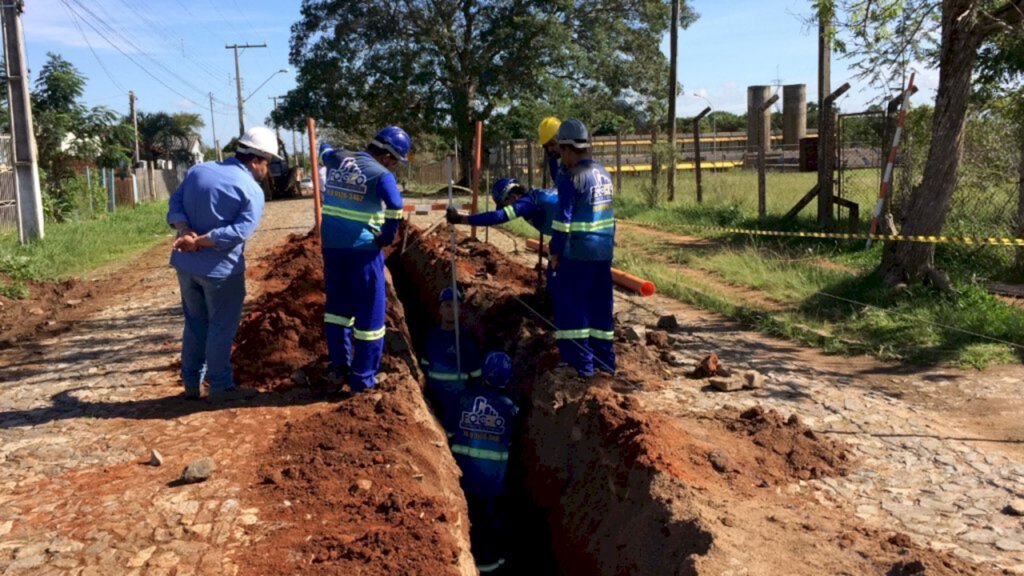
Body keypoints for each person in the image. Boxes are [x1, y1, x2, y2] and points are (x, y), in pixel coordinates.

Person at [166, 126, 277, 402]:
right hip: (221, 271)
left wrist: (185, 231)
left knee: (194, 323)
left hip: (186, 265)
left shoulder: (198, 171)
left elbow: (175, 203)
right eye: (267, 163)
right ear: (255, 160)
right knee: (220, 326)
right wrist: (200, 241)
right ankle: (221, 387)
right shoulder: (251, 189)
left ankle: (191, 385)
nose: (267, 170)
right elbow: (238, 232)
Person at [318, 127, 409, 393]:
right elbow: (395, 205)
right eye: (395, 161)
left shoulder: (338, 159)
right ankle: (362, 379)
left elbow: (323, 149)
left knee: (337, 310)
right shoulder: (382, 174)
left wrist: (333, 151)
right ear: (389, 157)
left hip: (332, 249)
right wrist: (388, 236)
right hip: (363, 252)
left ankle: (337, 368)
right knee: (370, 317)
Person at [549, 119, 616, 378]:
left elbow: (561, 222)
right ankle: (606, 364)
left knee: (572, 308)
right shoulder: (604, 173)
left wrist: (556, 253)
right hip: (603, 252)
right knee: (601, 308)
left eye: (560, 152)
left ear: (567, 148)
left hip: (577, 253)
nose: (561, 158)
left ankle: (581, 366)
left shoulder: (572, 178)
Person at [450, 351, 519, 574]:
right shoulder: (510, 409)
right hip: (493, 483)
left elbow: (449, 433)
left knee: (472, 521)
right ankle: (494, 566)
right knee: (491, 524)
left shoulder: (462, 399)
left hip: (464, 478)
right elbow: (513, 441)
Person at [446, 177, 559, 290]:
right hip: (562, 235)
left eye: (505, 205)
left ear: (511, 196)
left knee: (559, 273)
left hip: (570, 237)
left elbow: (497, 217)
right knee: (552, 267)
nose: (506, 208)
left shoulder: (527, 203)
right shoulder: (536, 196)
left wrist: (461, 219)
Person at [420, 287, 482, 434]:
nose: (451, 310)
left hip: (457, 403)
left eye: (456, 305)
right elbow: (423, 369)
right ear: (440, 309)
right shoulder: (431, 337)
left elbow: (476, 377)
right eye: (447, 305)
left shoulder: (466, 341)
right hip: (434, 402)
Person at [538, 116, 562, 183]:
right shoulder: (552, 158)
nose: (549, 149)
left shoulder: (575, 160)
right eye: (545, 146)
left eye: (552, 144)